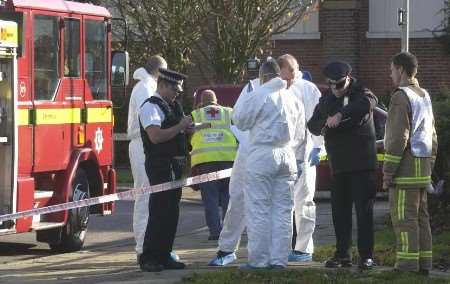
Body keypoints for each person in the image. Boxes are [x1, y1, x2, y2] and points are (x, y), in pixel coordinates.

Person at [233, 59, 305, 269]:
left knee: (258, 209)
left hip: (262, 155)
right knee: (283, 211)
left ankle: (258, 260)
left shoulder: (260, 94)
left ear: (262, 77)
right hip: (287, 155)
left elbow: (239, 120)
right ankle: (279, 260)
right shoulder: (293, 99)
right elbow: (300, 135)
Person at [307, 61, 378, 270]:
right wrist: (326, 122)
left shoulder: (361, 93)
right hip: (339, 166)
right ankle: (342, 254)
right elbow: (313, 124)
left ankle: (366, 255)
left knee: (364, 213)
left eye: (339, 85)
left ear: (348, 79)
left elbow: (367, 104)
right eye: (331, 85)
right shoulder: (328, 99)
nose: (335, 90)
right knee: (340, 212)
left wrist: (340, 115)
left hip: (362, 165)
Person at [383, 52, 437, 275]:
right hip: (422, 169)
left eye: (392, 70)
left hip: (405, 171)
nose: (391, 74)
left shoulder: (400, 97)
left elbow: (398, 138)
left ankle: (406, 266)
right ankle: (424, 265)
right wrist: (430, 166)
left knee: (405, 220)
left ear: (401, 70)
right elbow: (432, 135)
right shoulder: (423, 95)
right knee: (421, 219)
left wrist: (388, 171)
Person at [138, 68, 192, 272]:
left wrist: (189, 128)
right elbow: (156, 136)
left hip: (175, 165)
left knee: (171, 212)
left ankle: (164, 254)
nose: (177, 94)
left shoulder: (173, 106)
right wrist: (180, 126)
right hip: (160, 165)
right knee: (159, 212)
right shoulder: (151, 107)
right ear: (162, 86)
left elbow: (179, 129)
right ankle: (149, 257)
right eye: (174, 89)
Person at [277, 54, 324, 262]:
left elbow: (316, 119)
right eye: (286, 76)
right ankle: (282, 247)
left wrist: (318, 147)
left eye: (293, 74)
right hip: (282, 152)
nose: (290, 80)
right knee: (282, 203)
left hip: (304, 152)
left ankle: (304, 248)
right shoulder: (276, 88)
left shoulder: (307, 89)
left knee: (304, 201)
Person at [208, 79, 257, 266]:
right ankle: (227, 248)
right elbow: (237, 117)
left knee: (270, 207)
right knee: (237, 199)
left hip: (270, 154)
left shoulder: (293, 91)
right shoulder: (253, 88)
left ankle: (273, 252)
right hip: (248, 151)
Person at [127, 55, 168, 261]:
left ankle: (151, 245)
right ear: (159, 72)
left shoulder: (147, 86)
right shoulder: (145, 88)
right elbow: (150, 118)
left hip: (146, 145)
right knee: (145, 196)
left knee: (151, 196)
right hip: (142, 145)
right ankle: (144, 248)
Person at [190, 89, 238, 240]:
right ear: (217, 101)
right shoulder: (229, 113)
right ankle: (229, 233)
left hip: (205, 162)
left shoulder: (196, 114)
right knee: (228, 198)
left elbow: (188, 132)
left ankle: (215, 232)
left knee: (210, 199)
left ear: (201, 102)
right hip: (228, 160)